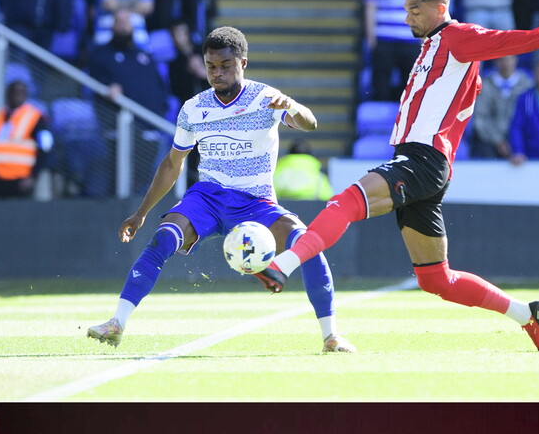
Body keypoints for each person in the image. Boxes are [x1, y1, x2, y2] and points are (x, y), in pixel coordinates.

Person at [253, 0, 539, 352]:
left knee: (343, 203)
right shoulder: (433, 47)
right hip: (422, 163)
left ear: (440, 9)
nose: (407, 17)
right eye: (406, 10)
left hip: (424, 158)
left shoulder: (457, 36)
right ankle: (527, 313)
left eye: (415, 10)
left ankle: (282, 265)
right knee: (435, 279)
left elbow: (501, 40)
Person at [87, 26, 356, 353]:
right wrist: (141, 213)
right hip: (208, 198)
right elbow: (172, 163)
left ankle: (331, 336)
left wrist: (294, 107)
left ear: (243, 63)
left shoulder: (265, 98)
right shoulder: (194, 108)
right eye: (211, 66)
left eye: (225, 65)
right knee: (164, 236)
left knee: (308, 245)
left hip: (256, 201)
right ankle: (117, 323)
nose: (217, 73)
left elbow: (310, 124)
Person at [88, 8, 173, 193]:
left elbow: (159, 86)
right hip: (120, 129)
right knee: (120, 179)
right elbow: (96, 84)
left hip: (150, 127)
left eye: (127, 22)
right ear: (113, 26)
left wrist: (162, 107)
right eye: (120, 22)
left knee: (147, 181)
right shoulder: (101, 54)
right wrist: (107, 88)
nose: (124, 26)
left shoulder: (144, 55)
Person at [0, 81, 54, 198]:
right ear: (7, 94)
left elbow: (46, 147)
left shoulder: (36, 118)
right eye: (13, 92)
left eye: (21, 92)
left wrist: (33, 176)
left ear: (26, 95)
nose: (17, 95)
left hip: (20, 178)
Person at [167, 20, 208, 186]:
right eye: (175, 34)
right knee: (190, 154)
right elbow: (177, 90)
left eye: (181, 33)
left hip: (211, 112)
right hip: (190, 115)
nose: (179, 38)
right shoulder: (175, 63)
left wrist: (202, 72)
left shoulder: (206, 54)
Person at [471, 54, 534, 159]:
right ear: (496, 61)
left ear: (516, 59)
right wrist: (498, 141)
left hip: (521, 140)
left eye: (509, 59)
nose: (506, 63)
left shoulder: (527, 84)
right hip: (489, 142)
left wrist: (516, 141)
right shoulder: (485, 85)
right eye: (502, 59)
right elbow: (480, 118)